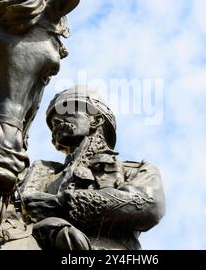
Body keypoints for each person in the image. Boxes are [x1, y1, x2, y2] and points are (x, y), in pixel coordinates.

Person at [18, 85, 165, 250]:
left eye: (67, 112)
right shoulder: (39, 173)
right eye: (52, 122)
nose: (56, 121)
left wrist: (64, 205)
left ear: (95, 120)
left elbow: (149, 205)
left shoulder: (133, 171)